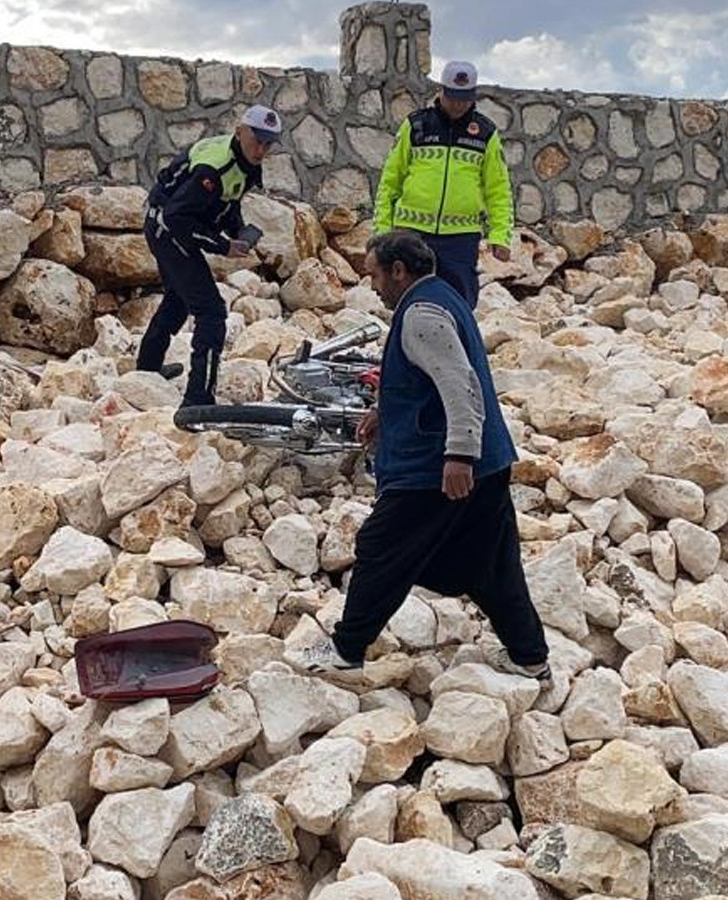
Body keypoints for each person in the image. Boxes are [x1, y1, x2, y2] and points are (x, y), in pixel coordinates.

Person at [294, 231, 550, 679]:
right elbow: (424, 378)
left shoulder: (421, 315)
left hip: (437, 468)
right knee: (490, 563)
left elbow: (458, 384)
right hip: (489, 461)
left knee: (379, 547)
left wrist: (459, 456)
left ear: (398, 270)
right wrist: (382, 411)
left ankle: (346, 648)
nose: (372, 286)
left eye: (375, 274)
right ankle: (530, 657)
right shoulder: (443, 297)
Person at [136, 105, 281, 407]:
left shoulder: (243, 161)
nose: (262, 150)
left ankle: (146, 371)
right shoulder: (213, 169)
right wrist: (223, 246)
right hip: (167, 227)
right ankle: (198, 399)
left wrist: (238, 231)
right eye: (258, 141)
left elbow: (229, 202)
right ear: (240, 132)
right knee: (212, 311)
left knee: (178, 298)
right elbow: (178, 219)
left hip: (172, 224)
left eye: (269, 144)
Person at [373, 60, 514, 310]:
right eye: (453, 97)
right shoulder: (416, 126)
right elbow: (390, 182)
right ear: (441, 91)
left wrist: (500, 235)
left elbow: (498, 190)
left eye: (465, 98)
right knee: (407, 303)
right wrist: (383, 232)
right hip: (412, 233)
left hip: (459, 240)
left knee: (459, 305)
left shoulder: (485, 133)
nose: (459, 104)